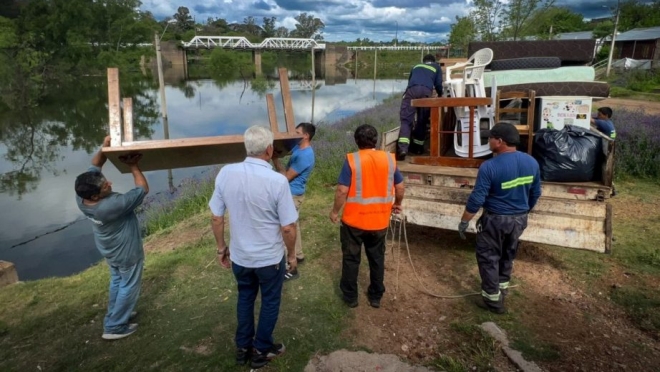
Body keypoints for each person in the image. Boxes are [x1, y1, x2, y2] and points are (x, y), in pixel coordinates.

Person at [209, 125, 298, 369]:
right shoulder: (277, 181)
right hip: (268, 258)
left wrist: (221, 248)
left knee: (245, 297)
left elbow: (217, 217)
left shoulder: (226, 173)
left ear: (247, 148)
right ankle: (261, 349)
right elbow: (288, 227)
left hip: (240, 257)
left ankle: (242, 347)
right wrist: (292, 255)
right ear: (270, 150)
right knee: (270, 301)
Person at [457, 122, 541, 314]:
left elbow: (477, 198)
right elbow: (535, 193)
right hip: (519, 219)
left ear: (500, 141)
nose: (488, 141)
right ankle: (502, 289)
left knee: (488, 257)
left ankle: (492, 301)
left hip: (496, 220)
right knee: (507, 254)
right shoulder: (532, 162)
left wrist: (464, 221)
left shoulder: (489, 166)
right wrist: (524, 211)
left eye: (490, 138)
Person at [74, 136, 148, 340]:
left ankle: (116, 314)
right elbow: (142, 189)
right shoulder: (110, 206)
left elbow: (95, 164)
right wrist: (134, 166)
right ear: (96, 196)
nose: (110, 184)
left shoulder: (83, 194)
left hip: (109, 249)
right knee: (129, 285)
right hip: (126, 253)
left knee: (117, 281)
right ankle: (114, 327)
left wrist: (104, 149)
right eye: (106, 186)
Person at [330, 124, 405, 309]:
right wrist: (397, 204)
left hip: (354, 222)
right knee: (377, 259)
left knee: (351, 259)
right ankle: (375, 296)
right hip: (379, 222)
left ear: (356, 141)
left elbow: (341, 190)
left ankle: (350, 298)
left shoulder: (352, 160)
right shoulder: (388, 159)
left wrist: (334, 212)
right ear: (376, 140)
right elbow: (400, 187)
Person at [272, 122, 316, 281]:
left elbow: (285, 178)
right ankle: (298, 255)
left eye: (297, 132)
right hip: (293, 194)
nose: (294, 134)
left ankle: (290, 267)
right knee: (293, 225)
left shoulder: (305, 156)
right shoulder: (299, 148)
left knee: (286, 230)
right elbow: (287, 148)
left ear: (306, 136)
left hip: (291, 196)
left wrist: (275, 159)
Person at [397, 54, 443, 160]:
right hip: (426, 92)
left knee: (406, 120)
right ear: (433, 61)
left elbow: (410, 82)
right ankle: (418, 148)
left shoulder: (416, 66)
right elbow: (438, 84)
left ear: (424, 61)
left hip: (411, 91)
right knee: (422, 121)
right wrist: (440, 95)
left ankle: (403, 149)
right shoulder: (437, 67)